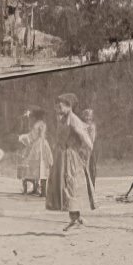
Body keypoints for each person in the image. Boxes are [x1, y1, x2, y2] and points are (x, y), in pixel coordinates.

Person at [45, 93, 96, 231]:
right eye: (56, 106)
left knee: (70, 186)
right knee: (64, 187)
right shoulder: (63, 119)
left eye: (60, 106)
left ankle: (75, 219)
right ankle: (76, 218)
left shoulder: (73, 120)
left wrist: (82, 154)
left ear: (69, 106)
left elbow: (87, 141)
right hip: (62, 156)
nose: (57, 108)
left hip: (70, 157)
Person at [18, 109, 52, 196]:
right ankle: (39, 189)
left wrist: (24, 138)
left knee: (36, 165)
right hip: (43, 143)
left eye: (33, 116)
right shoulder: (43, 123)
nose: (32, 118)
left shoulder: (37, 124)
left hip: (38, 145)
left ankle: (40, 190)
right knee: (41, 166)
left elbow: (33, 136)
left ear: (36, 117)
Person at [80, 109, 99, 186]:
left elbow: (92, 139)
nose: (88, 118)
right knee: (82, 168)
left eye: (89, 116)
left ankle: (92, 185)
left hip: (91, 148)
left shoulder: (92, 126)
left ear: (91, 117)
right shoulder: (81, 125)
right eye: (86, 116)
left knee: (92, 167)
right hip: (83, 148)